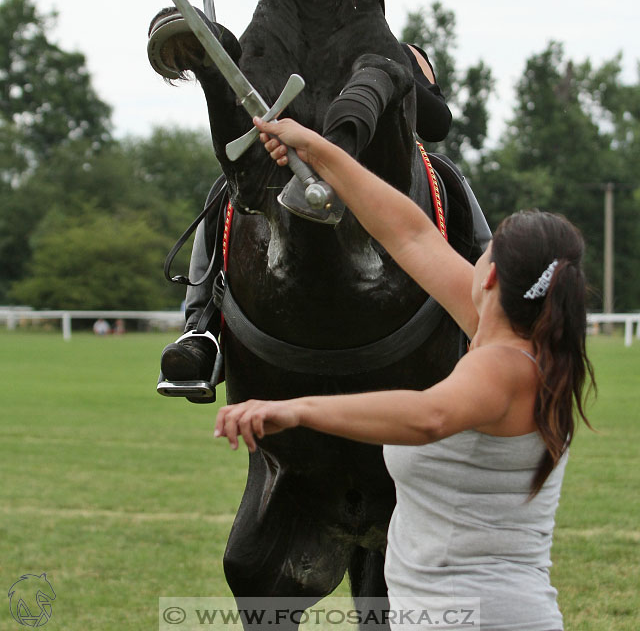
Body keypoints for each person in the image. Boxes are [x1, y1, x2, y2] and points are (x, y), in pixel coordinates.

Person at [214, 115, 595, 631]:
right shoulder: (499, 333)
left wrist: (296, 408)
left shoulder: (505, 368)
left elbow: (429, 415)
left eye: (486, 250)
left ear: (494, 276)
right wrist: (317, 150)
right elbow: (410, 233)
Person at [159, 43, 451, 388]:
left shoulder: (402, 51)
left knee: (449, 178)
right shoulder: (284, 41)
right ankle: (200, 326)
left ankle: (492, 316)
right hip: (292, 162)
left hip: (380, 172)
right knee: (225, 190)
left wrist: (397, 71)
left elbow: (436, 124)